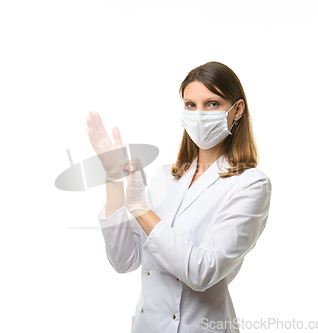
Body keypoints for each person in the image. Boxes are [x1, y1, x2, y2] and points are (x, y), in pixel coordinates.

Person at [86, 61, 272, 333]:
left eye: (212, 104)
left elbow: (202, 272)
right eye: (190, 105)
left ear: (237, 110)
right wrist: (113, 178)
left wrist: (139, 207)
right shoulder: (167, 177)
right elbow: (124, 260)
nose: (199, 114)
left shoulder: (251, 185)